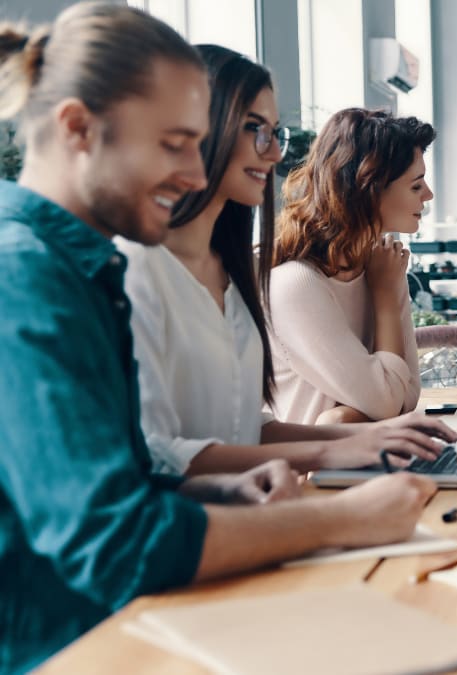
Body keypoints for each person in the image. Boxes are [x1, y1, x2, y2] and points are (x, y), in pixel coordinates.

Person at [0, 6, 433, 671]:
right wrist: (344, 518)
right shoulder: (25, 277)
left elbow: (131, 477)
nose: (198, 175)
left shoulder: (86, 268)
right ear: (78, 130)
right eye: (175, 143)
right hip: (77, 648)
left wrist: (217, 490)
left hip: (149, 624)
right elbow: (115, 543)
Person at [118, 47, 455, 475]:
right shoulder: (140, 269)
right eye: (256, 129)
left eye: (276, 133)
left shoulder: (232, 271)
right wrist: (340, 444)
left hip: (261, 503)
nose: (276, 152)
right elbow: (158, 456)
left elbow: (247, 429)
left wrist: (371, 438)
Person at [270, 108, 435, 425]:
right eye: (416, 186)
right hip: (309, 471)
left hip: (370, 457)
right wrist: (385, 294)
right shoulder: (297, 283)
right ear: (369, 191)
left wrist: (347, 415)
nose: (428, 194)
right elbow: (388, 401)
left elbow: (408, 394)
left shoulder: (380, 264)